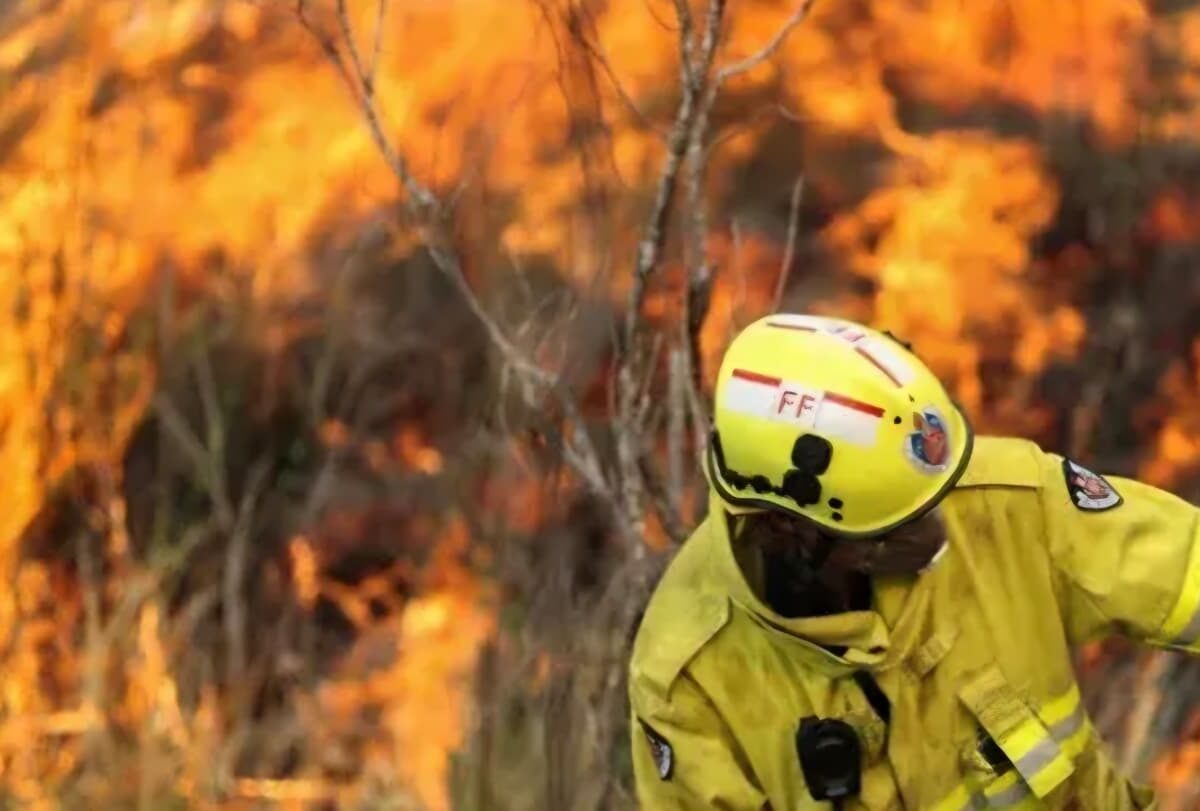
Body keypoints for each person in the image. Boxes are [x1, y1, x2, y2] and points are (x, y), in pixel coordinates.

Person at [628, 313, 1200, 810]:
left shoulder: (1008, 502)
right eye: (895, 524)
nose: (938, 528)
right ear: (787, 528)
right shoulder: (688, 682)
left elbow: (1182, 565)